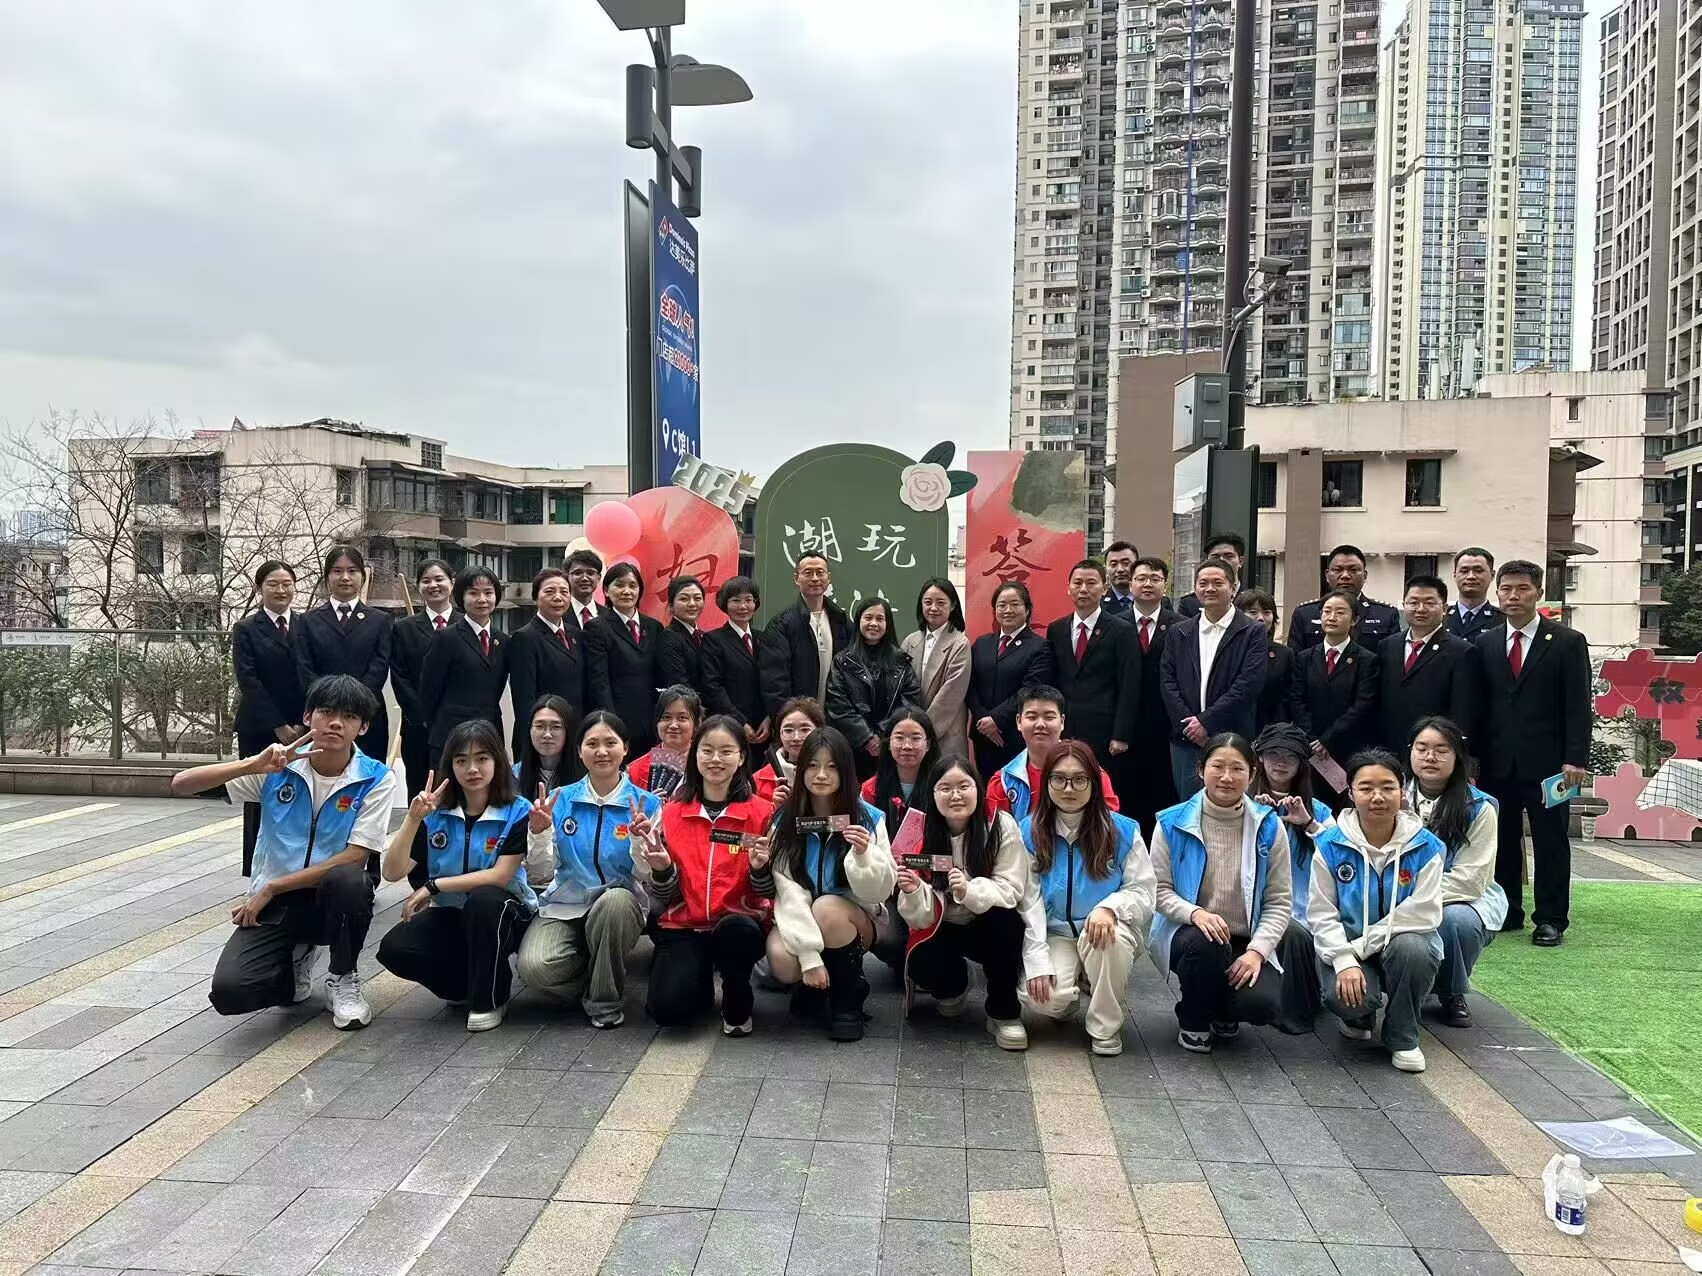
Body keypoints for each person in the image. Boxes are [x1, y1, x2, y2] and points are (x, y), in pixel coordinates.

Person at [173, 675, 394, 1031]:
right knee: (231, 992)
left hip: (328, 897)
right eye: (326, 712)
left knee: (351, 880)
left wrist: (272, 887)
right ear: (308, 717)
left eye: (350, 716)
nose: (336, 723)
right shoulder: (277, 768)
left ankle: (342, 976)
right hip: (278, 905)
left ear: (363, 727)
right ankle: (296, 959)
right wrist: (251, 766)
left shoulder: (376, 778)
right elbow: (181, 784)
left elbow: (356, 856)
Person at [377, 720, 535, 1030]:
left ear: (497, 761)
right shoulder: (436, 813)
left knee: (484, 901)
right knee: (395, 948)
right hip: (453, 913)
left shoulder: (517, 810)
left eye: (482, 758)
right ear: (450, 765)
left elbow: (500, 876)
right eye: (461, 760)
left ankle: (490, 999)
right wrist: (412, 820)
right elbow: (392, 871)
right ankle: (464, 987)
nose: (472, 769)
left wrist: (434, 886)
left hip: (505, 913)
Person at [1148, 733, 1293, 1053]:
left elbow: (1279, 901)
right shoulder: (1171, 822)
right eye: (1218, 767)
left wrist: (1257, 952)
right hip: (1190, 934)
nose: (1227, 777)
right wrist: (1195, 913)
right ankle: (1194, 1020)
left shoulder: (1269, 826)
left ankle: (1222, 1010)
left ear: (1252, 775)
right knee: (1206, 945)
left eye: (1237, 769)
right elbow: (1158, 890)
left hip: (1244, 937)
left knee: (1261, 1004)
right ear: (1201, 770)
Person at [1472, 560, 1592, 946]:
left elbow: (1578, 705)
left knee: (1551, 841)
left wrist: (1576, 758)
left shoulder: (1567, 642)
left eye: (1522, 589)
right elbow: (1479, 706)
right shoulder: (1486, 643)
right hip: (1496, 763)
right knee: (1500, 839)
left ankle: (1551, 918)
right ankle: (1507, 910)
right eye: (1506, 589)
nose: (1513, 596)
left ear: (1539, 593)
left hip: (1552, 766)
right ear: (1497, 593)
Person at [517, 709, 660, 1027]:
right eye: (592, 744)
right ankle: (599, 972)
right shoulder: (559, 800)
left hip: (619, 906)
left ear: (626, 748)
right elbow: (540, 873)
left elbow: (647, 876)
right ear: (579, 751)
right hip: (565, 904)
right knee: (533, 968)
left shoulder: (647, 804)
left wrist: (639, 840)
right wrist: (538, 833)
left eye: (610, 743)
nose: (602, 751)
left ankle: (604, 1001)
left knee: (615, 900)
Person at [635, 715, 776, 1034]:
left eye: (726, 751)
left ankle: (736, 991)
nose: (716, 759)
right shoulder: (671, 812)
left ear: (742, 757)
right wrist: (662, 870)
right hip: (686, 925)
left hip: (739, 925)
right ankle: (698, 984)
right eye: (707, 750)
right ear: (695, 755)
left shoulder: (762, 813)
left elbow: (768, 892)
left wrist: (759, 869)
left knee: (737, 931)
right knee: (668, 1011)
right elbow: (666, 896)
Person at [1308, 748, 1445, 1072]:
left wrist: (1360, 947)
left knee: (1415, 949)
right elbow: (1321, 913)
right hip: (1347, 946)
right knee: (1348, 999)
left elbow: (1423, 912)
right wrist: (1344, 959)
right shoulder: (1330, 845)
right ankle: (1358, 1016)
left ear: (1402, 790)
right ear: (1351, 793)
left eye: (1387, 787)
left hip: (1398, 944)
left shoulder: (1426, 846)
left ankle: (1403, 1036)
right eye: (1366, 788)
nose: (1378, 797)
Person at [898, 756, 1049, 1050]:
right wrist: (915, 891)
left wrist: (969, 890)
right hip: (941, 924)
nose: (955, 795)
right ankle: (955, 985)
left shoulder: (999, 823)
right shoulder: (917, 829)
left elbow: (1011, 888)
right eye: (945, 788)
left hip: (985, 922)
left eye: (964, 786)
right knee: (922, 963)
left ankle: (1003, 1012)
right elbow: (916, 919)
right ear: (932, 794)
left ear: (978, 789)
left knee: (1006, 922)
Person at [1017, 740, 1156, 1055]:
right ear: (1046, 782)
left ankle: (1105, 1026)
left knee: (1110, 942)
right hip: (1055, 933)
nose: (1069, 788)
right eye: (1059, 779)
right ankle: (1071, 991)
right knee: (1043, 999)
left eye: (1079, 779)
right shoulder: (1029, 831)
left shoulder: (1122, 830)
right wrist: (1037, 961)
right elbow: (1029, 902)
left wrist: (1110, 908)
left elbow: (1144, 891)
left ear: (1094, 782)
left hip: (1105, 929)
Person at [761, 726, 896, 1040]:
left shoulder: (868, 819)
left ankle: (848, 998)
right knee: (781, 958)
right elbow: (787, 889)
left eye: (831, 766)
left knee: (827, 909)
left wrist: (863, 856)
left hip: (854, 920)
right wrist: (808, 957)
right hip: (803, 918)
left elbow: (880, 891)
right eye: (812, 765)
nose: (821, 775)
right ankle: (816, 987)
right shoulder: (784, 821)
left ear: (845, 772)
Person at [1407, 716, 1506, 1027]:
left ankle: (1451, 991)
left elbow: (1470, 880)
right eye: (1422, 748)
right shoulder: (1392, 797)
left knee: (1456, 921)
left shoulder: (1479, 808)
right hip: (1398, 889)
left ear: (1458, 757)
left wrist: (1416, 899)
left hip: (1460, 896)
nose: (1430, 757)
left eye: (1441, 750)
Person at [1160, 558, 1269, 797]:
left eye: (1218, 583)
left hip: (1232, 738)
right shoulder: (1180, 631)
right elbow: (1168, 681)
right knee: (1189, 808)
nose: (1209, 588)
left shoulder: (1252, 631)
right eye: (1203, 583)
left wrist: (1206, 722)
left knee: (1232, 805)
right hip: (1186, 739)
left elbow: (1248, 684)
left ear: (1233, 587)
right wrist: (1190, 726)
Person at [1252, 723, 1334, 1032]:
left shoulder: (1319, 812)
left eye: (1290, 755)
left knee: (1297, 932)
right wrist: (1251, 818)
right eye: (1273, 753)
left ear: (1302, 763)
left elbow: (1343, 859)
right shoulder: (1242, 804)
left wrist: (1308, 824)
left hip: (1306, 912)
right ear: (1260, 758)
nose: (1280, 761)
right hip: (1254, 908)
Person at [232, 560, 305, 874]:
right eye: (273, 584)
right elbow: (248, 680)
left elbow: (313, 675)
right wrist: (278, 725)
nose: (281, 590)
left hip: (303, 727)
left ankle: (294, 868)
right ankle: (257, 870)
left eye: (286, 584)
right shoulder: (246, 628)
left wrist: (302, 721)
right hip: (260, 727)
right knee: (260, 798)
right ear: (260, 588)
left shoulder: (307, 625)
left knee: (299, 796)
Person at [293, 545, 392, 762]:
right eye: (337, 571)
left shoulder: (379, 620)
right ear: (327, 577)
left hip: (367, 714)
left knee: (367, 773)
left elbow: (380, 664)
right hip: (324, 715)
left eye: (352, 571)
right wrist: (330, 703)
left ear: (363, 576)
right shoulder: (308, 620)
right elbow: (304, 666)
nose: (345, 577)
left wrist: (355, 703)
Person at [1044, 560, 1137, 788]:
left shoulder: (1122, 630)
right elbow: (1051, 680)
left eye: (1091, 583)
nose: (1083, 589)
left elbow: (1130, 685)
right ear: (1068, 588)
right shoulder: (1056, 629)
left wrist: (1121, 735)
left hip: (1104, 731)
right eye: (1077, 583)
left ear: (1104, 588)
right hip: (1065, 727)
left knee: (1101, 789)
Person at [863, 708, 942, 972]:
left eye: (915, 738)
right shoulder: (870, 790)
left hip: (932, 881)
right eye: (899, 738)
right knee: (889, 942)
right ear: (888, 743)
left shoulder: (943, 786)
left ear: (928, 744)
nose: (907, 746)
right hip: (889, 883)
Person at [1292, 589, 1380, 806]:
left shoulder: (1366, 660)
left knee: (1345, 804)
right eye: (1327, 611)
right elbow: (1296, 699)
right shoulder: (1304, 658)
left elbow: (1363, 704)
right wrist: (1312, 738)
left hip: (1347, 747)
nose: (1332, 617)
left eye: (1340, 612)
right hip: (1311, 748)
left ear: (1354, 620)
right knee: (1311, 803)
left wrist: (1327, 739)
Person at [825, 596, 925, 782]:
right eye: (868, 618)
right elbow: (838, 706)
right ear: (859, 621)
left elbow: (911, 703)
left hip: (892, 747)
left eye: (880, 619)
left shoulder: (901, 661)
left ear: (888, 624)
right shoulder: (842, 661)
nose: (874, 624)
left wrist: (882, 737)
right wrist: (867, 738)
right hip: (852, 748)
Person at [986, 685, 1120, 821]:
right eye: (1032, 717)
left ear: (1062, 722)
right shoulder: (1005, 781)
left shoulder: (1090, 772)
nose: (1040, 724)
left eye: (1049, 717)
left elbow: (1109, 822)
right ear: (1019, 722)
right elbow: (998, 829)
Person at [1378, 575, 1480, 751]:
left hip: (1433, 749)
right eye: (1413, 602)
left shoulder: (1462, 652)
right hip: (1390, 746)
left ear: (1444, 608)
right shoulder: (1387, 645)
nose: (1420, 609)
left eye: (1429, 603)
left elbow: (1463, 711)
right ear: (1404, 605)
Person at [967, 581, 1056, 779]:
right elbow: (970, 685)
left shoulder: (1040, 647)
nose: (1008, 610)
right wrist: (984, 720)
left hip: (1016, 734)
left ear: (1027, 609)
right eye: (1002, 605)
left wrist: (996, 720)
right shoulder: (981, 643)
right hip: (983, 735)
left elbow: (1030, 690)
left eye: (1015, 604)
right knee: (987, 786)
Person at [419, 566, 509, 763]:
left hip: (490, 733)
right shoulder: (445, 638)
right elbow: (429, 692)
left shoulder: (502, 641)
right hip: (451, 736)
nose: (482, 599)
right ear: (461, 597)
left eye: (488, 593)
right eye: (473, 593)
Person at [391, 559, 457, 797]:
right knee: (419, 792)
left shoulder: (466, 624)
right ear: (418, 586)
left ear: (452, 582)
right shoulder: (404, 628)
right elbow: (399, 676)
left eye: (439, 579)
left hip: (458, 726)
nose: (433, 585)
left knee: (457, 791)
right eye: (426, 581)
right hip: (418, 728)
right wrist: (422, 715)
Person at [1125, 557, 1181, 833]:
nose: (1148, 584)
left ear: (1165, 585)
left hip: (1165, 726)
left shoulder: (1182, 626)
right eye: (1141, 578)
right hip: (1126, 728)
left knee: (1164, 796)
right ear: (1130, 584)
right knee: (1127, 796)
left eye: (1155, 579)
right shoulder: (1115, 624)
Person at [506, 567, 585, 760]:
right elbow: (524, 698)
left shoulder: (576, 634)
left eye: (564, 592)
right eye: (549, 592)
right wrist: (535, 737)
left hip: (573, 733)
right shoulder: (525, 637)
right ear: (536, 597)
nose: (558, 597)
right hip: (543, 737)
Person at [760, 552, 852, 719]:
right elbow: (775, 683)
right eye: (808, 573)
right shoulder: (781, 625)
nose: (815, 578)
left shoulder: (841, 621)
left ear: (828, 577)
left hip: (837, 719)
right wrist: (790, 719)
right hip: (799, 721)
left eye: (820, 572)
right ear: (797, 578)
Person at [586, 561, 665, 753]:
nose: (626, 591)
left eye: (632, 586)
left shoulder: (655, 627)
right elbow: (599, 680)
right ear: (606, 590)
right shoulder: (596, 628)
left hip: (653, 719)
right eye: (619, 585)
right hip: (619, 719)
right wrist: (611, 722)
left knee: (655, 769)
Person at [902, 578, 972, 759]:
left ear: (953, 605)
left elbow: (951, 693)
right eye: (928, 602)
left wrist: (922, 730)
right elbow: (900, 686)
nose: (933, 608)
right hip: (911, 731)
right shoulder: (910, 641)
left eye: (941, 603)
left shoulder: (960, 643)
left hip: (945, 731)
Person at [1287, 545, 1400, 652]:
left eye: (1353, 570)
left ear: (1365, 575)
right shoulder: (1305, 613)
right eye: (1338, 570)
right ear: (1327, 575)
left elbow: (1392, 658)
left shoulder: (1386, 614)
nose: (1345, 576)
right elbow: (1295, 659)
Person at [702, 576, 768, 746]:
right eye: (736, 601)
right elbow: (713, 686)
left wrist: (770, 718)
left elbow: (773, 680)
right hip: (729, 725)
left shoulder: (764, 638)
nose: (743, 606)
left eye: (748, 600)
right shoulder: (713, 640)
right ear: (725, 604)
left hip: (764, 728)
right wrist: (739, 721)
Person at [1238, 588, 1294, 735]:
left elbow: (1288, 699)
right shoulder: (1229, 650)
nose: (1261, 618)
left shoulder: (1285, 654)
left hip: (1271, 733)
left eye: (1267, 612)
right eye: (1253, 612)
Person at [627, 685, 701, 796]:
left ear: (696, 724)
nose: (673, 725)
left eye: (682, 718)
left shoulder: (708, 764)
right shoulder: (635, 770)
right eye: (666, 717)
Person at [753, 697, 825, 805]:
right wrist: (776, 810)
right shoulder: (758, 780)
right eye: (788, 730)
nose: (796, 738)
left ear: (820, 731)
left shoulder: (834, 773)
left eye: (805, 730)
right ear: (780, 734)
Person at [515, 694, 581, 804]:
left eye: (556, 727)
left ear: (568, 731)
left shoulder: (586, 775)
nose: (547, 734)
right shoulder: (514, 775)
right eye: (539, 726)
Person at [656, 575, 707, 696]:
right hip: (688, 704)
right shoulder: (669, 637)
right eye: (684, 599)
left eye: (697, 598)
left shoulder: (704, 636)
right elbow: (679, 683)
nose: (692, 604)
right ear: (671, 606)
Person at [1178, 533, 1245, 618]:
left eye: (1228, 556)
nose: (1222, 561)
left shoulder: (1254, 598)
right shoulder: (1189, 603)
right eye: (1215, 557)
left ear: (1241, 561)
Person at [1447, 547, 1503, 640]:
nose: (1471, 576)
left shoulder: (1504, 620)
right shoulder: (1438, 619)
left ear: (1492, 575)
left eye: (1478, 571)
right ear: (1455, 575)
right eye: (1464, 571)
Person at [562, 548, 605, 634]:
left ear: (599, 578)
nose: (585, 578)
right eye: (578, 573)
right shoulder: (558, 613)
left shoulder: (609, 616)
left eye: (591, 573)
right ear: (567, 577)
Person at [1102, 540, 1138, 613]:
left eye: (1126, 563)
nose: (1120, 569)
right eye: (1113, 564)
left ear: (1138, 566)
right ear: (1105, 569)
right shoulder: (1096, 606)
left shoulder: (1153, 602)